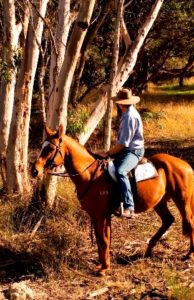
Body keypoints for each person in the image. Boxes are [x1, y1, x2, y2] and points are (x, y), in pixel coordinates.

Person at [103, 88, 144, 218]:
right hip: (126, 149)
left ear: (120, 103)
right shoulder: (126, 113)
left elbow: (122, 144)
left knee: (121, 171)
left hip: (133, 151)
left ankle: (129, 207)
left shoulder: (129, 117)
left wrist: (108, 153)